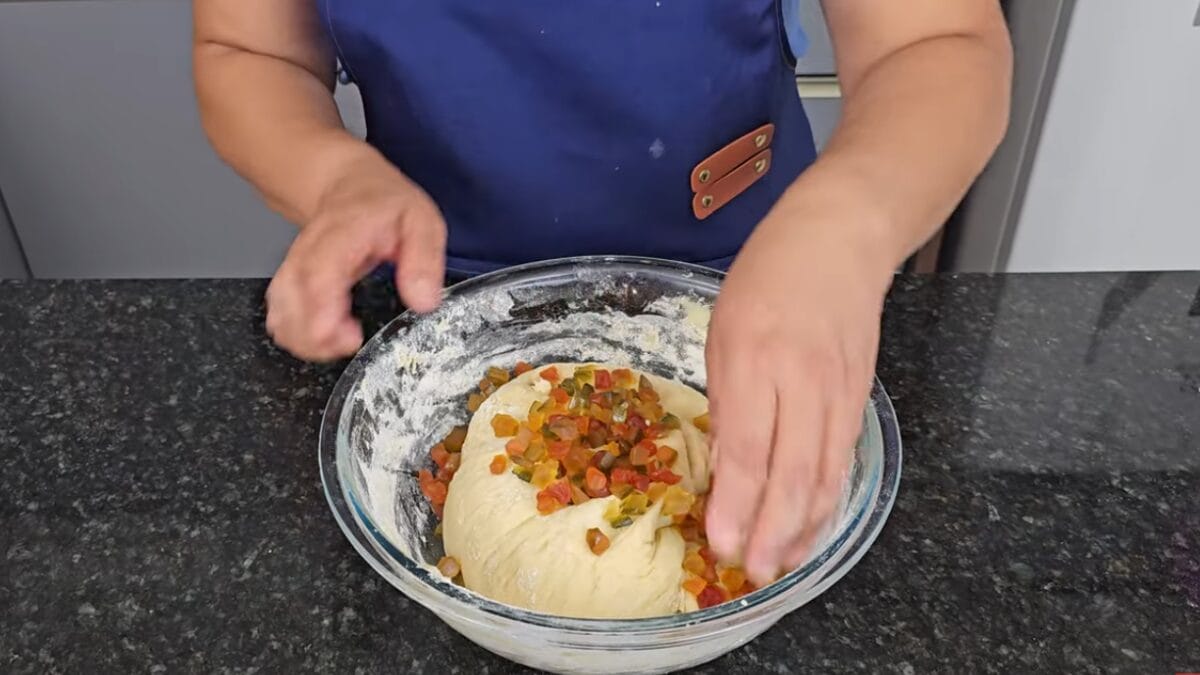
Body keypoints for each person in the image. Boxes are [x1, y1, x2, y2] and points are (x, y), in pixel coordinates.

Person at [193, 0, 1012, 586]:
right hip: (432, 307)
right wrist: (333, 179)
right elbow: (253, 53)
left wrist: (844, 232)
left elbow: (940, 40)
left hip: (762, 289)